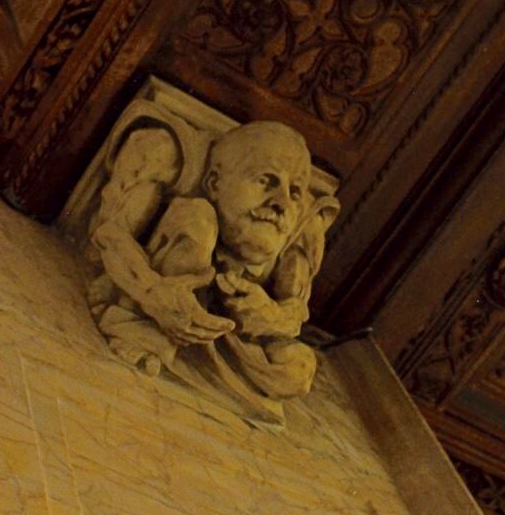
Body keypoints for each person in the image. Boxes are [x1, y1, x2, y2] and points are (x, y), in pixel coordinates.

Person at [88, 118, 338, 412]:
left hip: (226, 326)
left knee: (297, 370)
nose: (282, 203)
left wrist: (268, 315)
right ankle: (143, 330)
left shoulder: (305, 225)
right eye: (266, 181)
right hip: (156, 294)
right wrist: (152, 291)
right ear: (214, 183)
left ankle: (197, 350)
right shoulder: (166, 152)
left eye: (294, 192)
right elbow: (109, 234)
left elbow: (294, 312)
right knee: (197, 219)